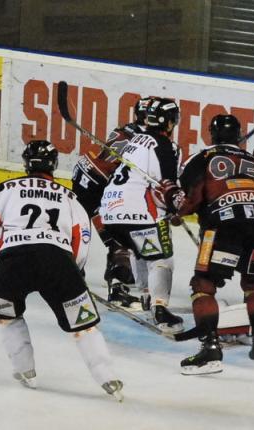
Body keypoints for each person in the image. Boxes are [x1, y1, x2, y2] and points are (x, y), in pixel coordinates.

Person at [0, 140, 124, 401]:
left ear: (26, 164)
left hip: (11, 264)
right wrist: (75, 273)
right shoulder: (71, 198)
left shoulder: (7, 189)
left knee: (7, 315)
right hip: (58, 263)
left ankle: (25, 370)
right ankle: (108, 378)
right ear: (54, 165)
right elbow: (81, 241)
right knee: (84, 325)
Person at [158, 114, 254, 375]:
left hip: (222, 229)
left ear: (211, 135)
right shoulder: (253, 162)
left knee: (203, 286)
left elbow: (186, 203)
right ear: (238, 135)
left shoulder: (201, 158)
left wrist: (169, 192)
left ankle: (210, 351)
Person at [99, 97, 184, 333]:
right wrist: (178, 208)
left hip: (109, 211)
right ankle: (160, 309)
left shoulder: (136, 140)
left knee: (141, 250)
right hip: (137, 211)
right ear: (170, 122)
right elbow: (168, 186)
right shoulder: (165, 145)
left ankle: (146, 295)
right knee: (161, 257)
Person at [71, 97, 152, 310]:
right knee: (124, 239)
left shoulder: (123, 130)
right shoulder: (150, 140)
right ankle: (118, 290)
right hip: (103, 187)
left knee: (112, 238)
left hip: (86, 179)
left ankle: (73, 275)